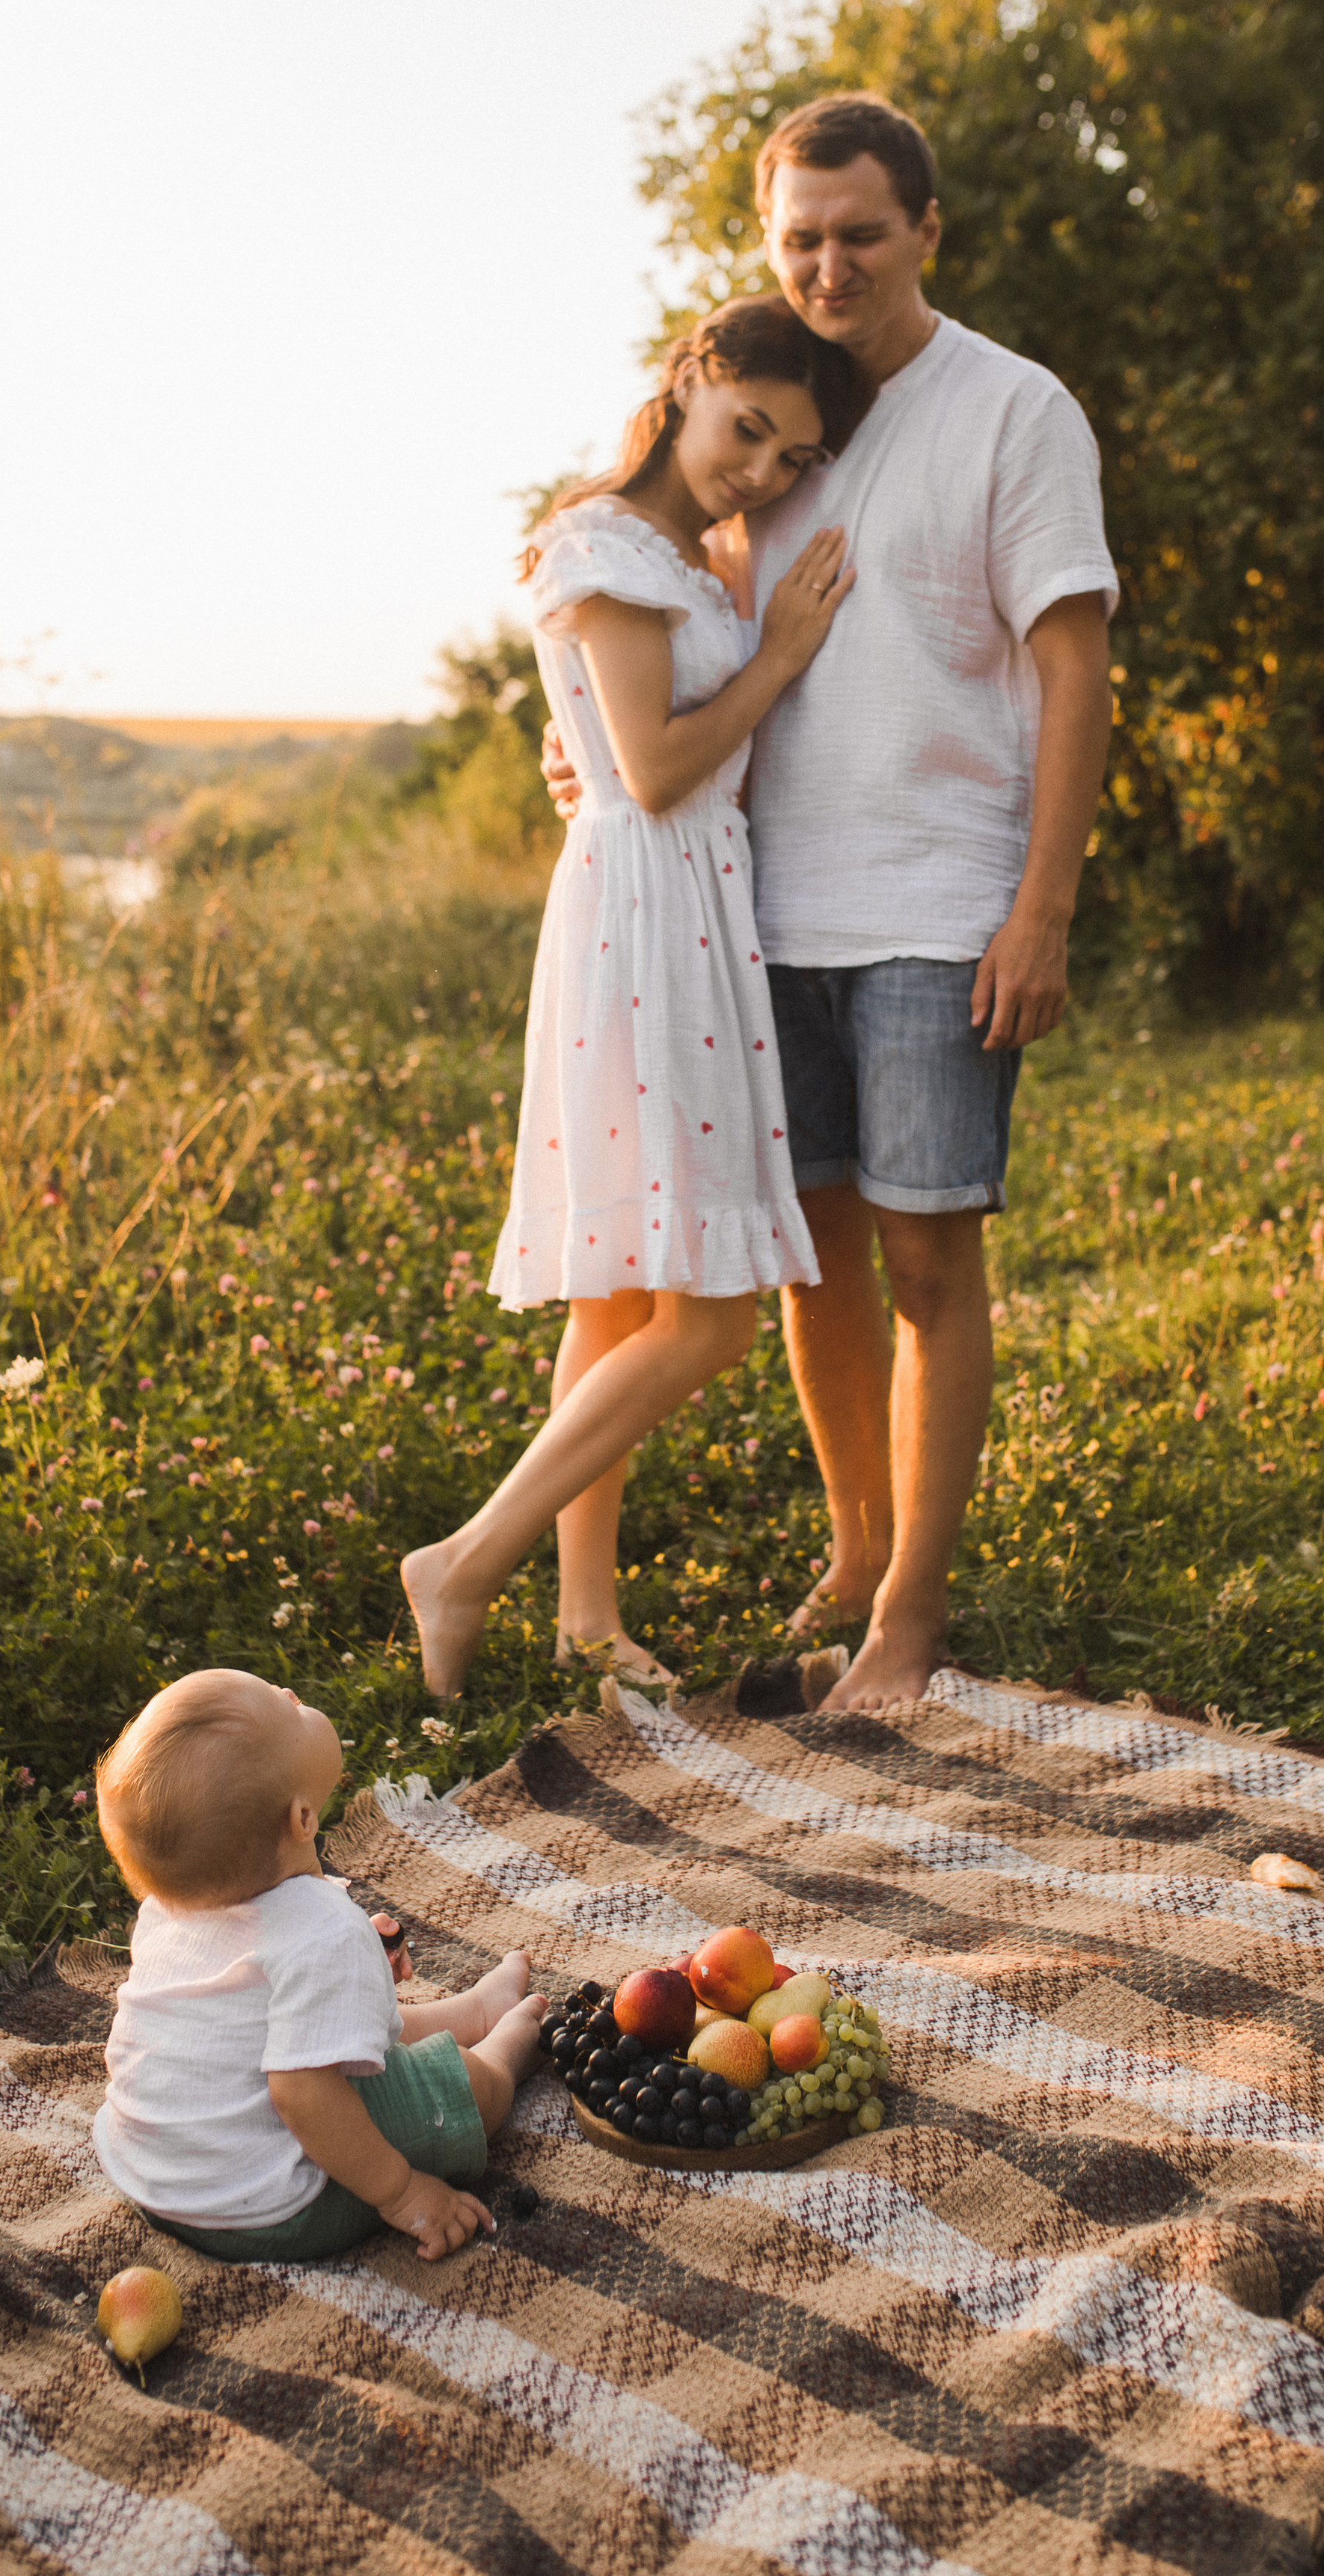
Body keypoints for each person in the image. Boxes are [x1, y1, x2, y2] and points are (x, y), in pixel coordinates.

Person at [546, 93, 1118, 1714]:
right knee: (815, 1269)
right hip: (754, 916)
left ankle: (909, 1623)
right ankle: (858, 1551)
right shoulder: (772, 423)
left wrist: (1041, 909)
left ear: (925, 228)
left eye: (861, 232)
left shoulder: (1013, 409)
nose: (828, 264)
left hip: (939, 907)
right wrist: (576, 745)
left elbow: (1074, 666)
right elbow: (654, 624)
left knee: (931, 1270)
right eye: (799, 237)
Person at [402, 296, 871, 1699]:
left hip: (681, 905)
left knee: (615, 1302)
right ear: (692, 382)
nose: (761, 472)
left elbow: (632, 751)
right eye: (750, 429)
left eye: (793, 458)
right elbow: (656, 770)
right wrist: (781, 655)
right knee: (710, 1316)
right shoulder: (605, 545)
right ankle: (466, 1562)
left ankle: (587, 1619)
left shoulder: (687, 558)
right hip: (650, 918)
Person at [92, 1668, 547, 2262]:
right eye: (288, 1710)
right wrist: (403, 2194)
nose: (290, 1693)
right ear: (303, 1819)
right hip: (267, 2207)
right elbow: (303, 2095)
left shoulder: (169, 1908)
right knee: (459, 2086)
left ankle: (477, 2010)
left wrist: (358, 1965)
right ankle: (508, 2051)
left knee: (329, 2032)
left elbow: (258, 2000)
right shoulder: (323, 1934)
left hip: (154, 2179)